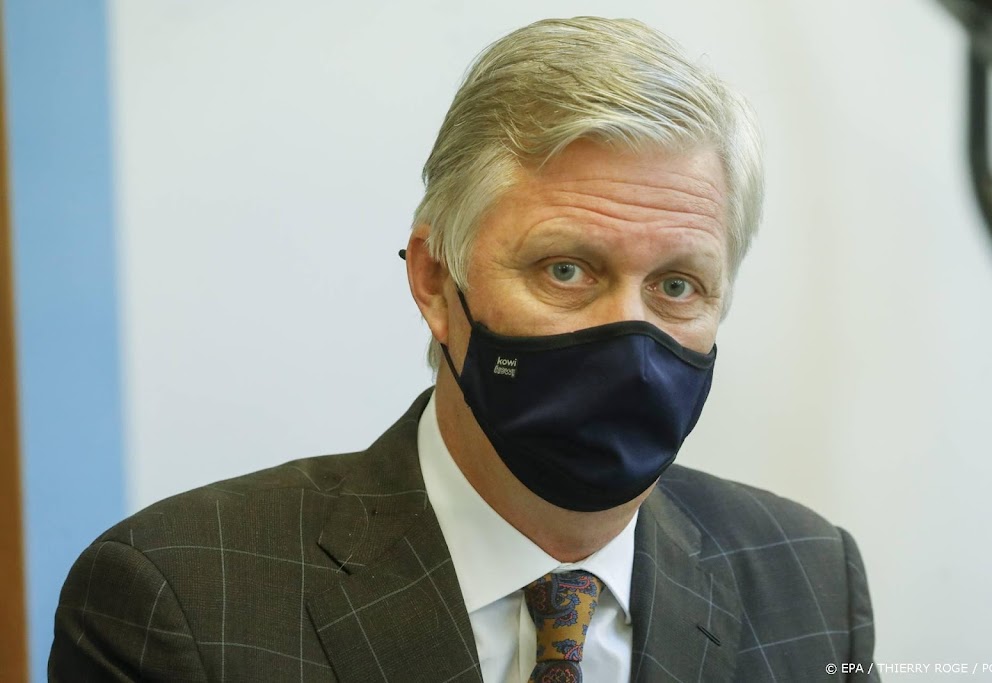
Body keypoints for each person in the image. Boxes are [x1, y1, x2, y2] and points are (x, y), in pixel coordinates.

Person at [49, 16, 878, 682]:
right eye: (565, 269)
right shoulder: (185, 602)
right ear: (435, 280)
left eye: (677, 285)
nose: (630, 338)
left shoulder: (812, 582)